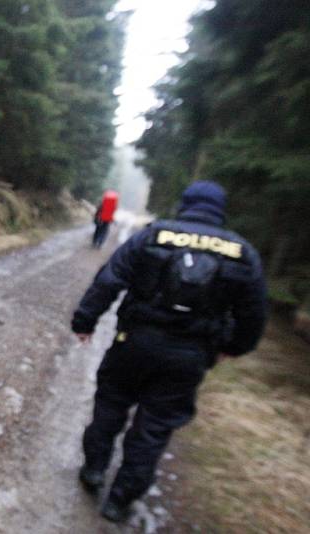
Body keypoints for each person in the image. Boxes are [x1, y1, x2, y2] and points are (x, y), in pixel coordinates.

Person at [71, 181, 267, 522]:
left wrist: (85, 320)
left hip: (133, 343)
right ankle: (119, 500)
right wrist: (234, 347)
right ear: (220, 210)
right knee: (154, 427)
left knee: (111, 404)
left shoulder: (154, 235)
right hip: (189, 356)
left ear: (185, 204)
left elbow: (110, 278)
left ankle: (94, 469)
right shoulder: (242, 251)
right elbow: (253, 312)